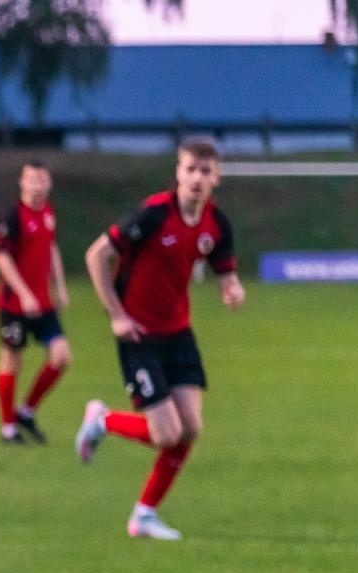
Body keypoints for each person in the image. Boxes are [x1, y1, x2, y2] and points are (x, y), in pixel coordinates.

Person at [75, 138, 244, 541]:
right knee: (166, 434)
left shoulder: (217, 225)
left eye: (205, 171)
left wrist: (232, 290)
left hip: (178, 334)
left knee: (191, 429)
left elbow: (225, 273)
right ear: (178, 173)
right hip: (139, 335)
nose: (197, 178)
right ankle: (102, 421)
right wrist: (117, 315)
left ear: (217, 177)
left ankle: (144, 515)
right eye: (190, 170)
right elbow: (97, 256)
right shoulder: (152, 214)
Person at [0, 161, 71, 444]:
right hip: (14, 305)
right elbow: (1, 256)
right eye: (32, 180)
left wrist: (60, 286)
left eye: (42, 180)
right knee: (12, 360)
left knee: (61, 356)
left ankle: (26, 412)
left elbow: (51, 247)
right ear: (22, 182)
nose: (37, 186)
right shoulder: (13, 216)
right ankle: (8, 428)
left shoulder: (48, 212)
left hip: (43, 303)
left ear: (49, 184)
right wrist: (24, 294)